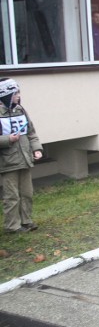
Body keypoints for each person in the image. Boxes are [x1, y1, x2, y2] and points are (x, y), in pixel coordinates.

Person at [0, 78, 43, 234]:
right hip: (8, 162)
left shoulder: (21, 110)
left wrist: (36, 149)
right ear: (5, 94)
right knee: (12, 196)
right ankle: (13, 226)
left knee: (27, 193)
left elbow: (31, 132)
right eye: (15, 93)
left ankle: (27, 221)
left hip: (25, 159)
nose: (18, 96)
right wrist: (7, 139)